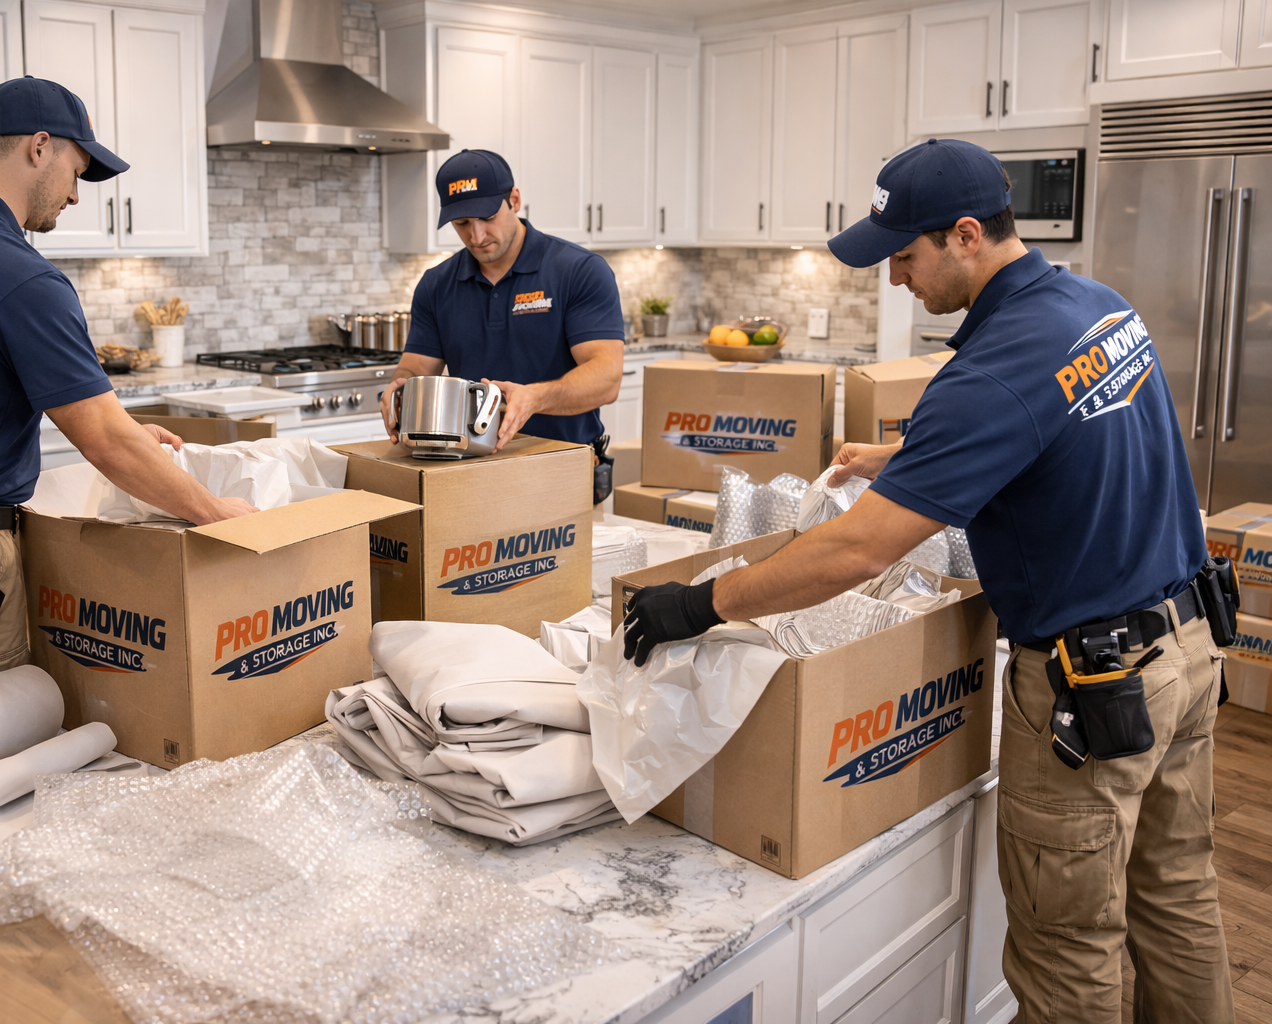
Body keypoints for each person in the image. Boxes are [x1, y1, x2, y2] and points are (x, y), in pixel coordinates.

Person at [621, 139, 1232, 1022]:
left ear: (966, 236)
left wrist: (699, 602)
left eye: (904, 256)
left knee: (1070, 950)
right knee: (1178, 903)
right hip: (1188, 651)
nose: (897, 279)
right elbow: (1063, 432)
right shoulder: (1097, 308)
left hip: (1094, 691)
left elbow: (856, 553)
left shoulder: (986, 371)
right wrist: (909, 457)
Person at [0, 76, 254, 704]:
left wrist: (117, 425)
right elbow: (106, 442)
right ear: (41, 147)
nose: (76, 197)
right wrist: (215, 512)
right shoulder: (21, 274)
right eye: (77, 171)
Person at [379, 149, 624, 454]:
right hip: (467, 466)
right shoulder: (436, 284)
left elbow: (607, 377)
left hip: (564, 464)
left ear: (515, 200)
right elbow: (415, 368)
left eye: (487, 217)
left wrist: (535, 398)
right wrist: (401, 388)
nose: (477, 236)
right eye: (462, 222)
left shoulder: (579, 270)